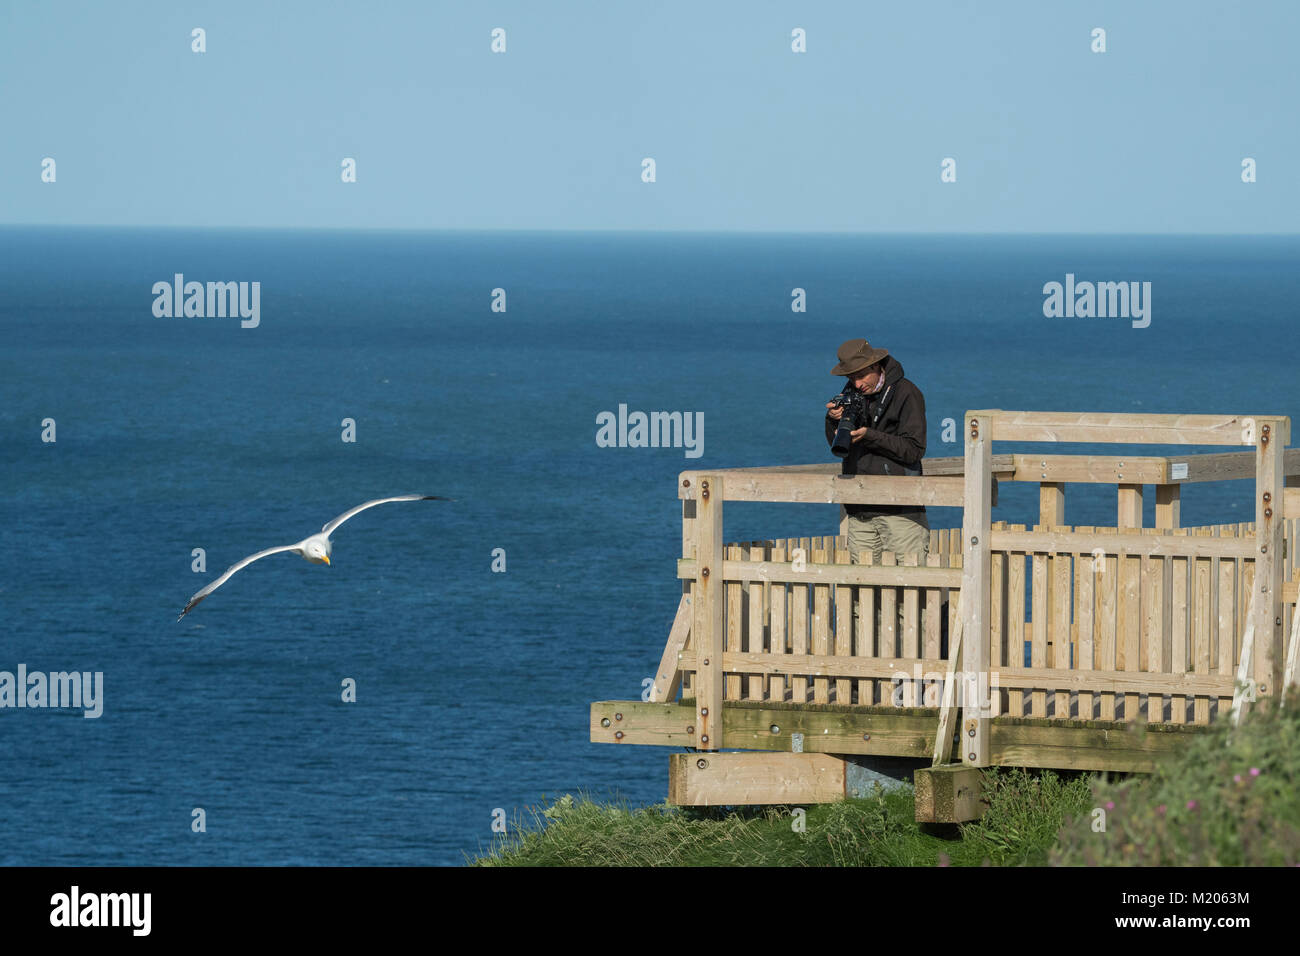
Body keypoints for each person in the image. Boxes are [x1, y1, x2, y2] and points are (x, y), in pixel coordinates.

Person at [824, 338, 930, 563]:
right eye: (851, 377)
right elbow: (838, 447)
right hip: (860, 509)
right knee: (864, 588)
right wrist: (834, 421)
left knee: (910, 584)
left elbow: (913, 450)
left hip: (901, 510)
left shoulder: (906, 393)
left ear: (876, 365)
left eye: (861, 376)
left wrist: (870, 436)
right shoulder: (851, 396)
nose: (858, 383)